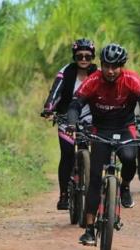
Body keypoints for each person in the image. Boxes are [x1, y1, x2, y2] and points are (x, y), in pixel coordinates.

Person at [66, 43, 140, 245]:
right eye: (106, 66)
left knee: (129, 159)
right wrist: (72, 123)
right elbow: (75, 104)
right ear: (101, 64)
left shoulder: (132, 80)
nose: (110, 71)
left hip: (125, 128)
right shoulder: (93, 80)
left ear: (122, 66)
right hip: (100, 130)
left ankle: (126, 186)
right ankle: (90, 229)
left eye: (115, 66)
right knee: (94, 179)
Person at [41, 38, 97, 210]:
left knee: (99, 153)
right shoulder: (66, 72)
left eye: (88, 56)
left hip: (91, 118)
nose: (84, 59)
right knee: (67, 154)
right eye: (80, 55)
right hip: (66, 117)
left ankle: (97, 189)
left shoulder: (98, 73)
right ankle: (64, 194)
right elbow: (55, 91)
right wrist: (49, 108)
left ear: (92, 57)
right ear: (74, 56)